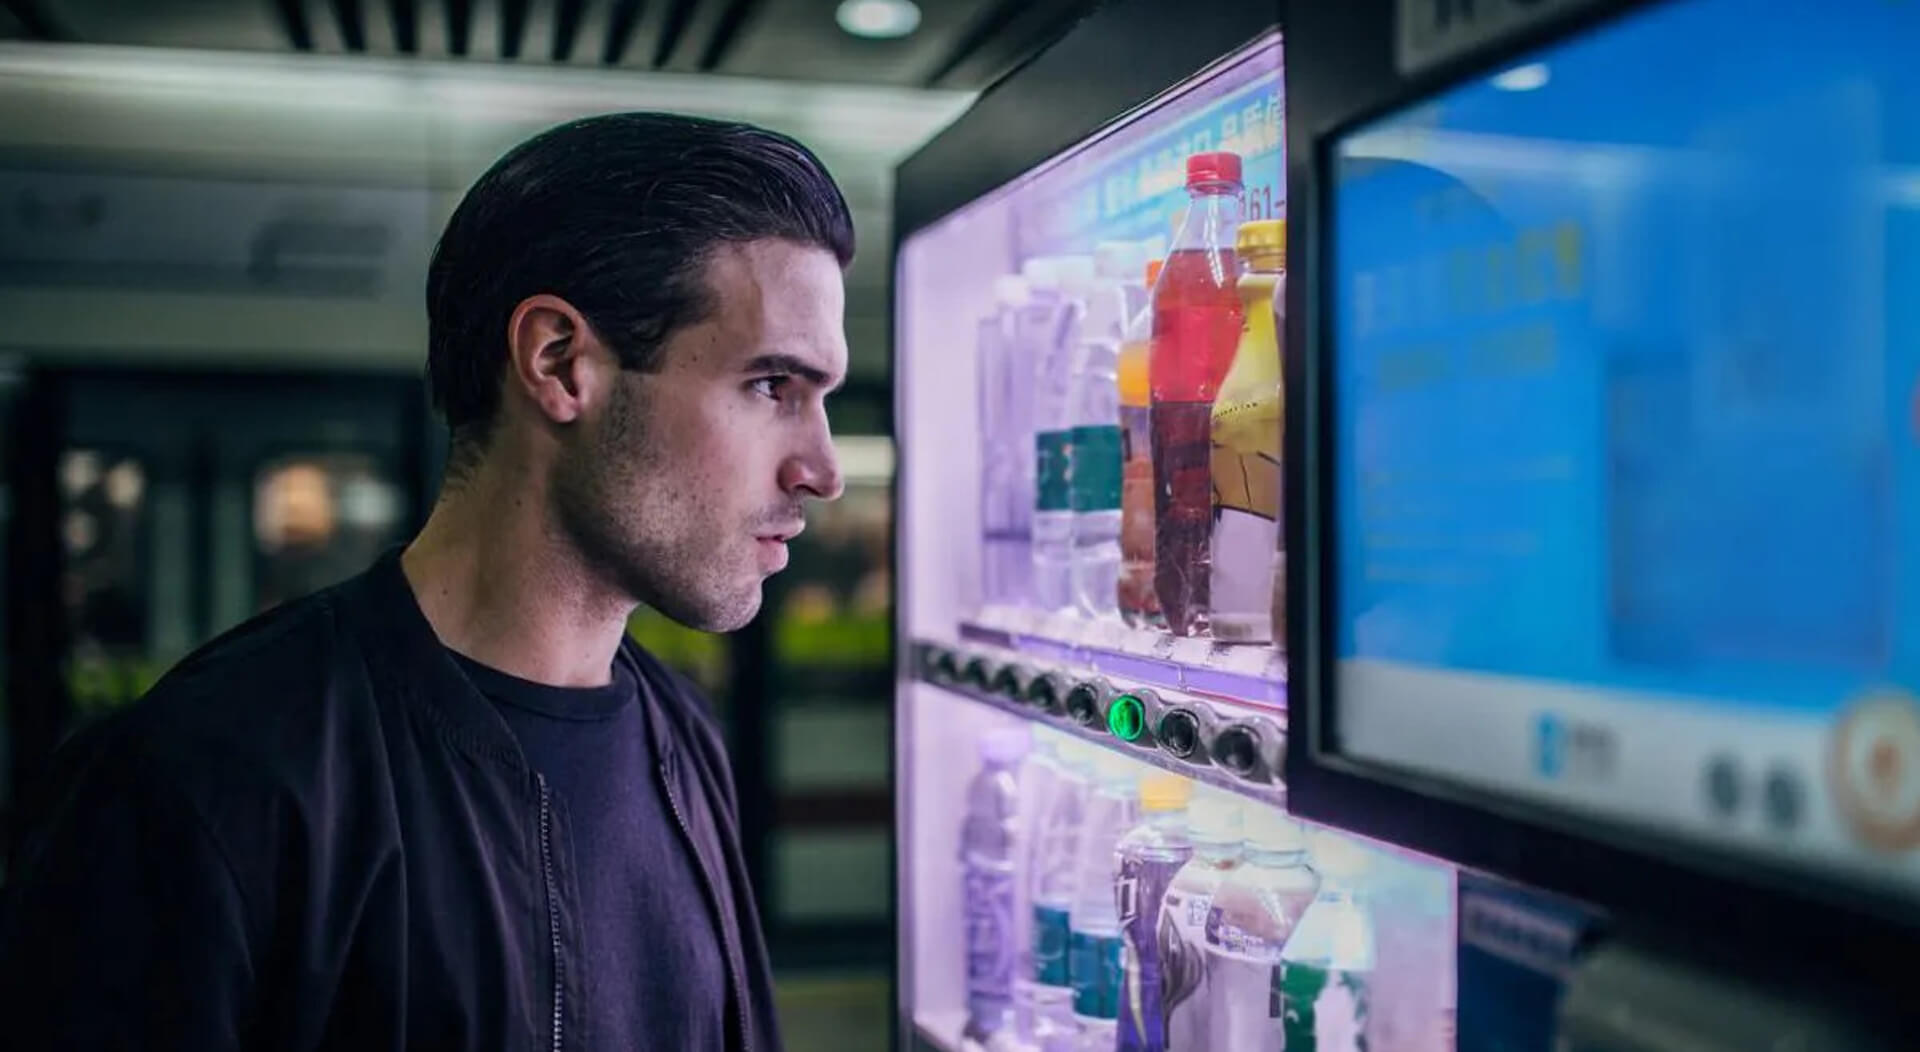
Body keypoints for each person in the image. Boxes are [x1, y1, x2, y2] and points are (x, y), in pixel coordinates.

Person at [0, 112, 851, 1051]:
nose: (821, 468)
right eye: (773, 386)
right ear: (561, 363)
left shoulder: (684, 738)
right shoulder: (206, 777)